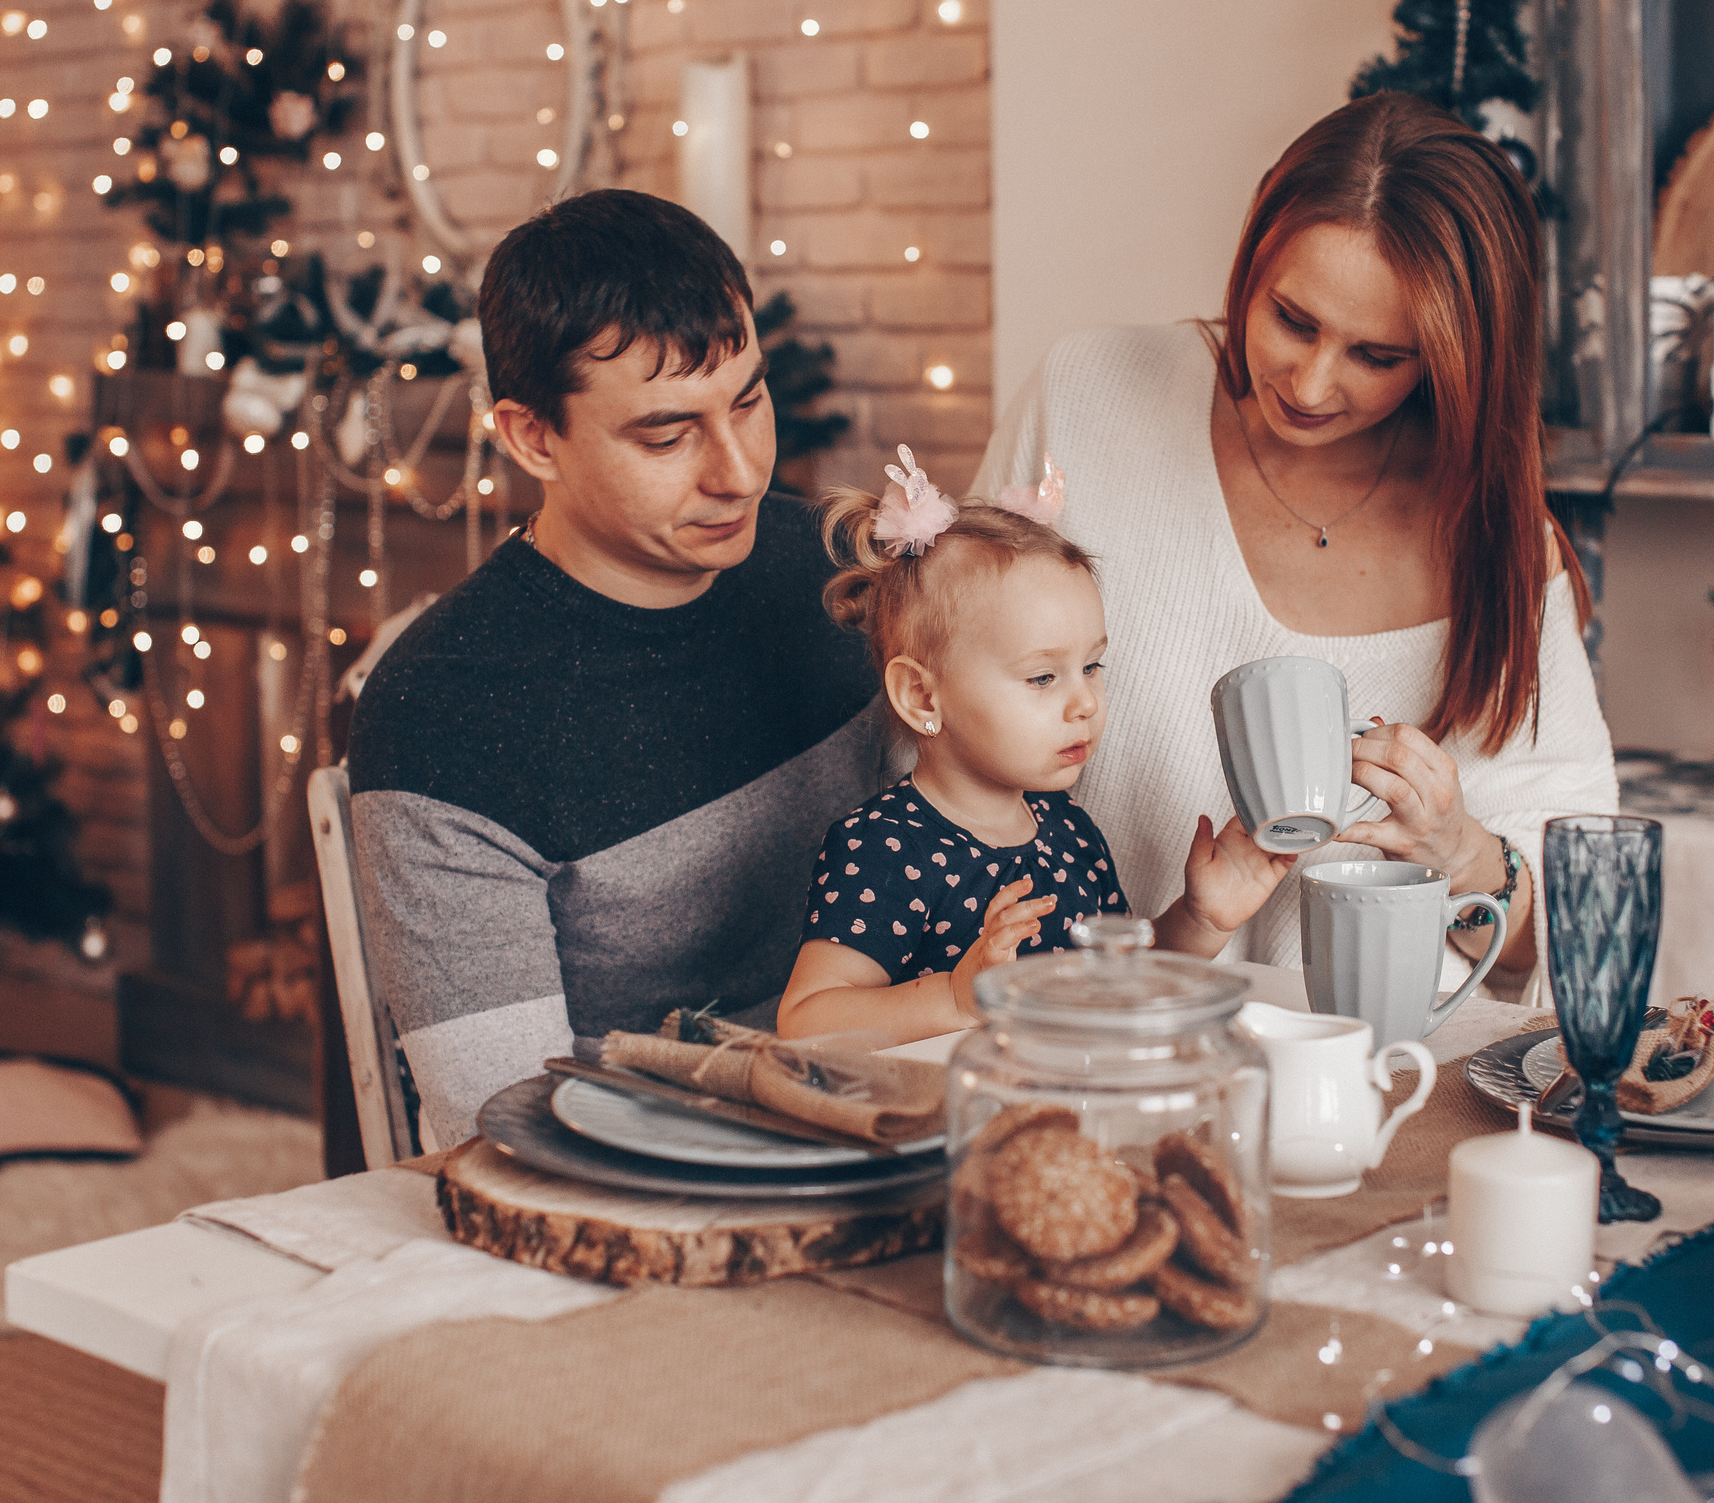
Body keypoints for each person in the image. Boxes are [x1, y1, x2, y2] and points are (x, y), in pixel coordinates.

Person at [973, 92, 1618, 998]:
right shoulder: (1090, 396)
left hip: (1374, 1065)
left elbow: (1566, 936)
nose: (1310, 385)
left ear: (1453, 358)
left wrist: (1462, 852)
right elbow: (937, 710)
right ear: (1253, 257)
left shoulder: (1493, 538)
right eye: (1292, 319)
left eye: (1377, 357)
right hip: (1090, 1029)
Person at [345, 191, 900, 1149]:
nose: (740, 472)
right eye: (666, 435)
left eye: (749, 401)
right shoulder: (442, 715)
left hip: (897, 1101)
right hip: (642, 1165)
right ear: (532, 437)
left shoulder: (840, 569)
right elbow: (508, 1128)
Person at [774, 452, 1287, 1041]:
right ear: (922, 696)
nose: (1086, 702)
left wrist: (1199, 919)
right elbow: (807, 1021)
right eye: (1043, 677)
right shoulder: (883, 848)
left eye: (1091, 666)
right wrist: (958, 997)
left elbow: (1115, 981)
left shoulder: (1069, 831)